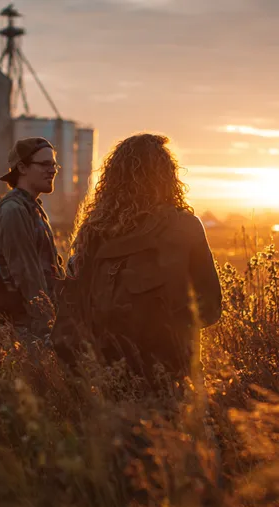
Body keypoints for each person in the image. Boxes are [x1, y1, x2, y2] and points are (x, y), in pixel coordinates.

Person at [52, 133, 222, 392]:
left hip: (105, 366)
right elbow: (210, 306)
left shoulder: (94, 229)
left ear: (112, 179)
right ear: (168, 176)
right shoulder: (185, 226)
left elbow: (77, 301)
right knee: (168, 431)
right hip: (170, 368)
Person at [0, 137, 65, 341]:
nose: (53, 170)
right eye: (44, 164)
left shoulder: (33, 208)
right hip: (30, 328)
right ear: (22, 168)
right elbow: (26, 275)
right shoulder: (14, 211)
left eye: (54, 164)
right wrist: (48, 326)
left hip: (41, 321)